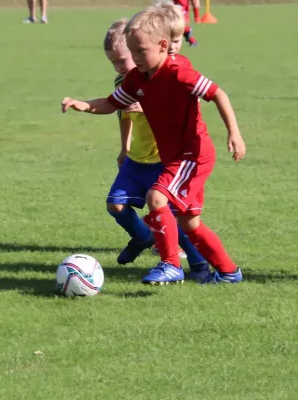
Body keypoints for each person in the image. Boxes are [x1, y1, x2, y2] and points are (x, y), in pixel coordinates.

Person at [61, 6, 246, 285]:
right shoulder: (137, 78)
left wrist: (234, 133)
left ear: (162, 46)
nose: (135, 58)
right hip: (177, 157)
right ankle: (229, 272)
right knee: (190, 224)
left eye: (140, 51)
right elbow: (111, 104)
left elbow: (217, 92)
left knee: (156, 198)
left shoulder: (179, 72)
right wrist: (83, 105)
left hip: (193, 154)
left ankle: (171, 264)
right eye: (132, 52)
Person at [102, 14, 211, 281]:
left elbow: (182, 110)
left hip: (167, 158)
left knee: (176, 217)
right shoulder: (125, 83)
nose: (118, 67)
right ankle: (143, 237)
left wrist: (149, 107)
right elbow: (123, 115)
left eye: (122, 60)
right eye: (112, 62)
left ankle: (199, 265)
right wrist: (124, 148)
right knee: (116, 205)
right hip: (138, 158)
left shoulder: (166, 76)